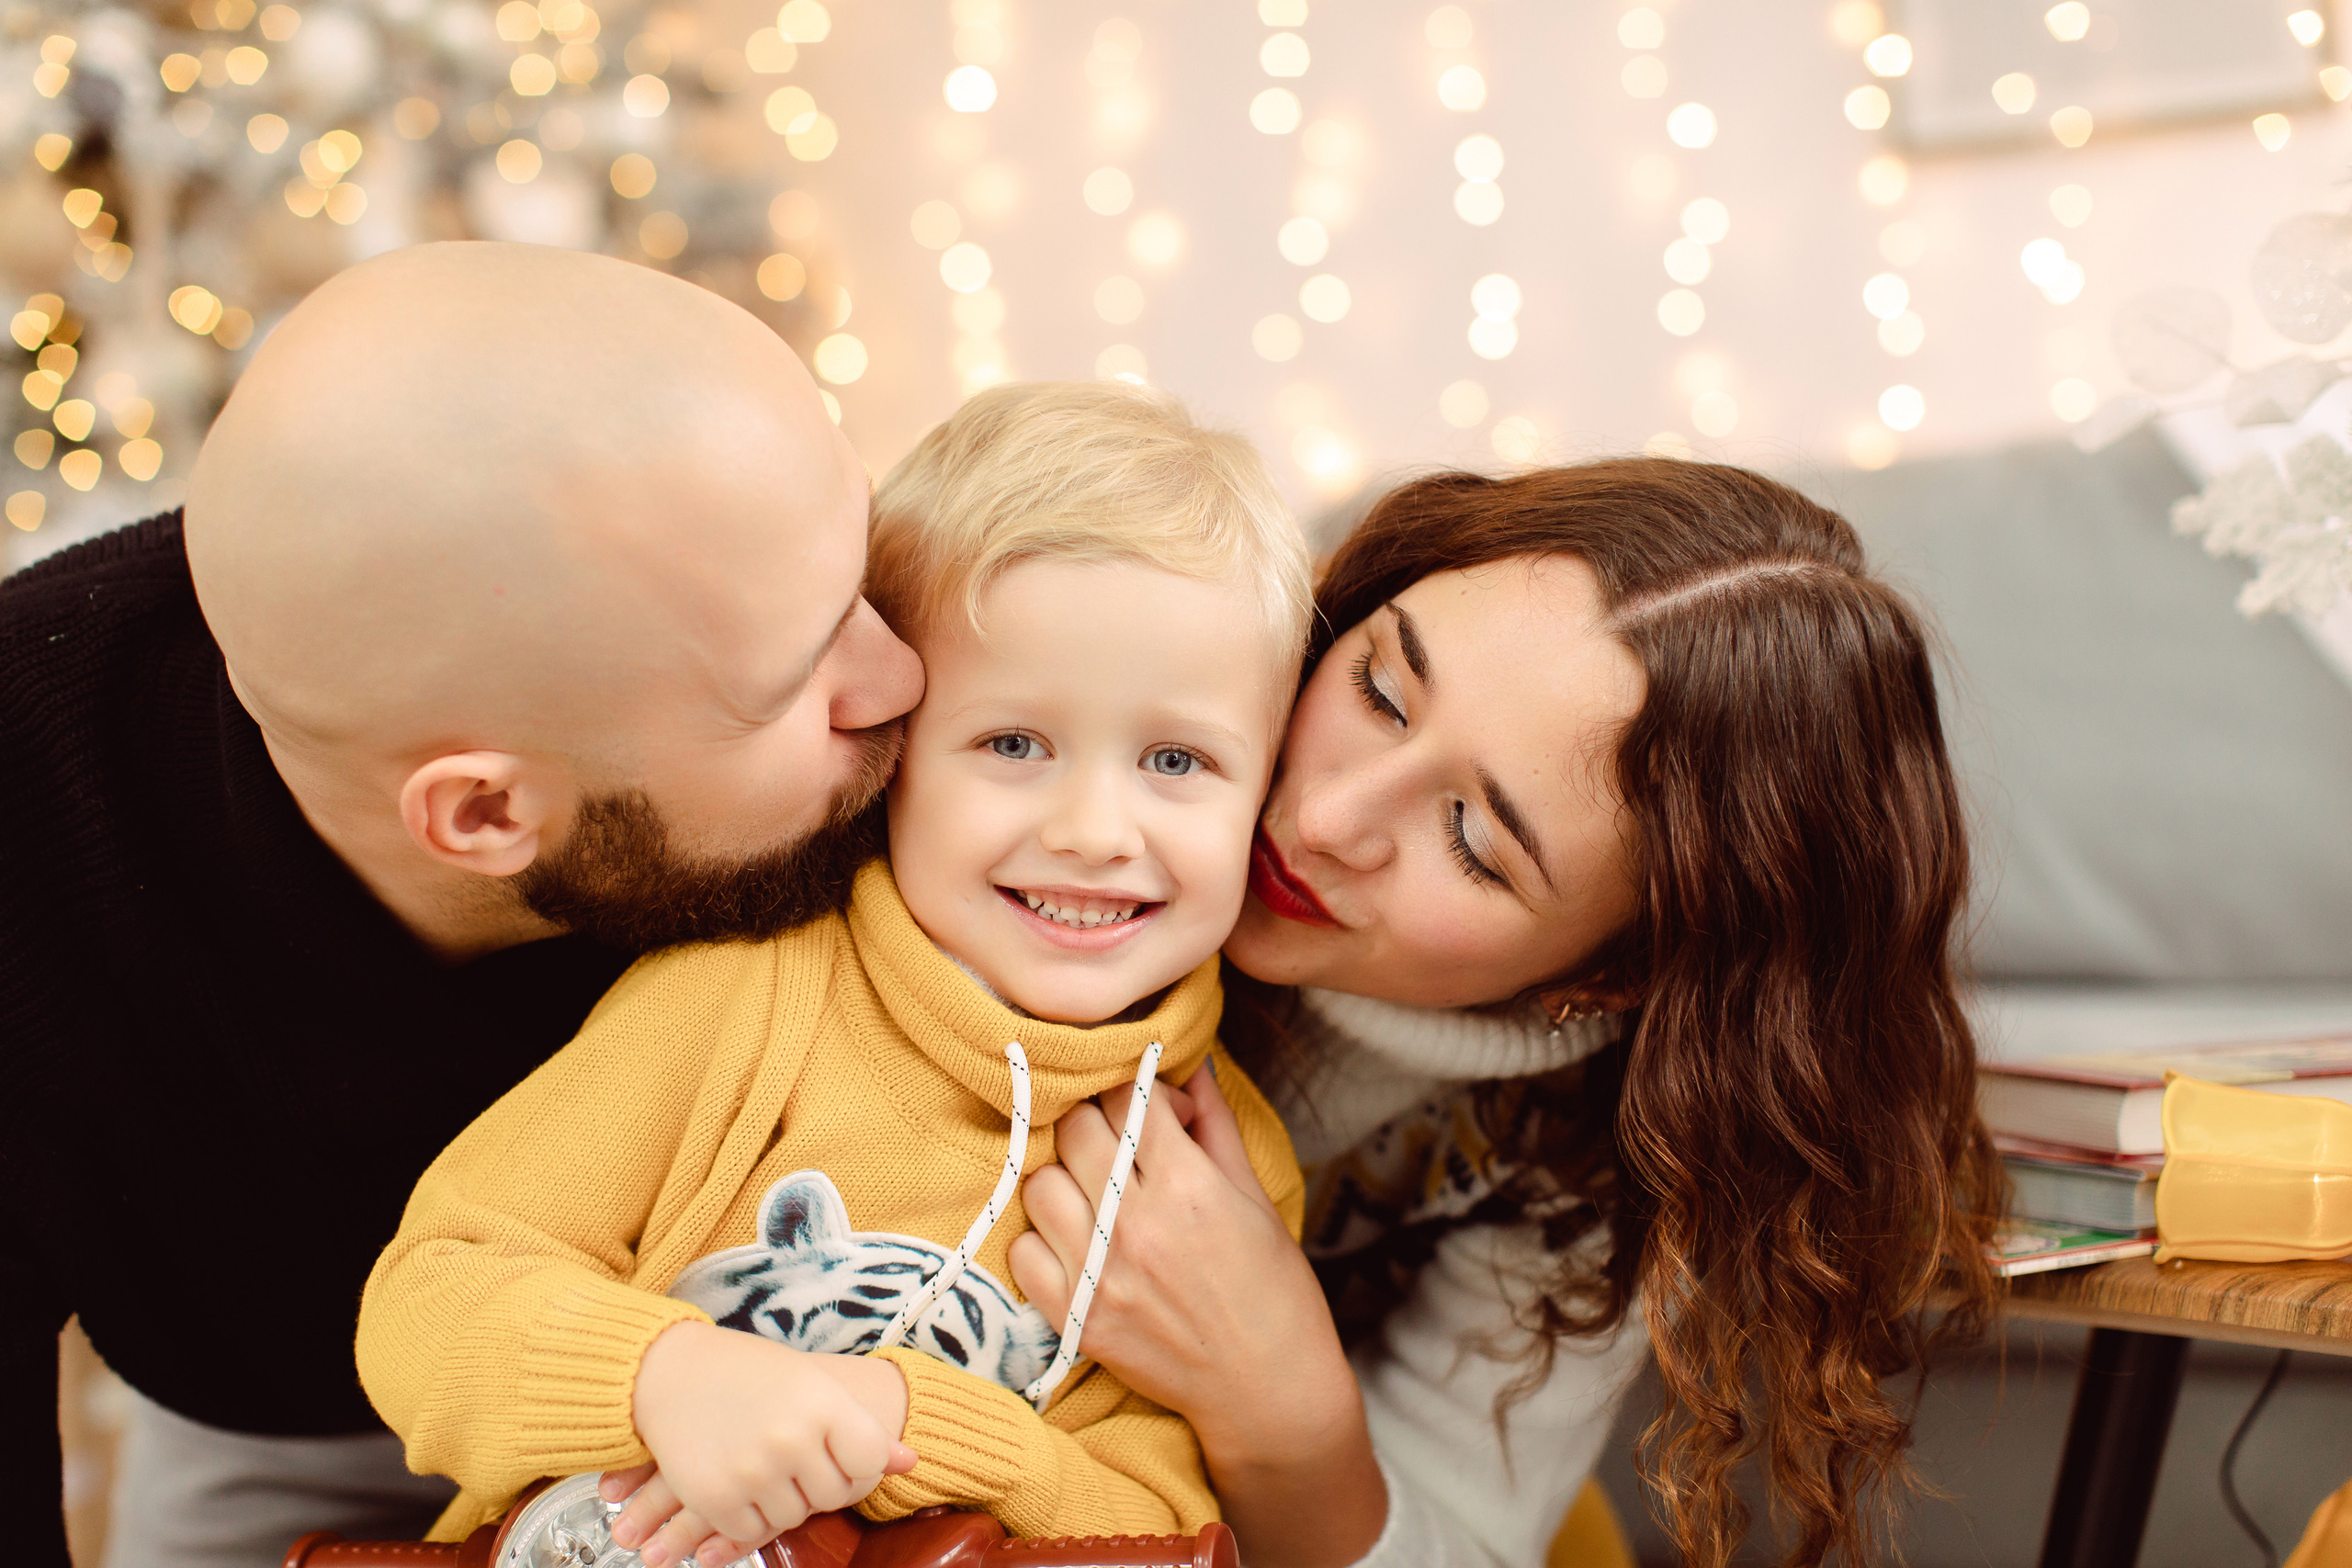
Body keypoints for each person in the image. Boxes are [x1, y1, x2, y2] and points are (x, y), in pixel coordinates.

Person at [2, 242, 923, 1568]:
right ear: (486, 813)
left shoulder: (830, 668)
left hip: (835, 1398)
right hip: (296, 1430)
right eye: (796, 680)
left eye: (861, 567)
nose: (902, 677)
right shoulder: (30, 862)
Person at [355, 382, 1313, 1568]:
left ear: (1265, 789)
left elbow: (1162, 1527)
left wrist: (916, 1424)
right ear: (893, 752)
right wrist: (666, 1374)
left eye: (1177, 759)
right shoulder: (735, 997)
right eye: (1013, 742)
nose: (1093, 831)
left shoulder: (1214, 1168)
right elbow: (426, 1300)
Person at [1009, 460, 2005, 1568]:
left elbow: (1464, 1536)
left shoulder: (1599, 1159)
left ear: (1611, 977)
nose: (1328, 818)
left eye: (1474, 843)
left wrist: (1283, 1403)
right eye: (1381, 690)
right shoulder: (1121, 681)